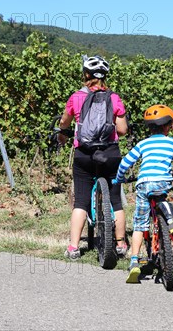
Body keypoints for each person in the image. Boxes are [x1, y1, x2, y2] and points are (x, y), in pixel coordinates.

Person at [58, 55, 129, 260]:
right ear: (105, 76)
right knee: (115, 201)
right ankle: (121, 244)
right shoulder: (114, 98)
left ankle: (73, 247)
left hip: (84, 154)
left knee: (80, 201)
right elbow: (122, 130)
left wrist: (63, 132)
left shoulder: (76, 97)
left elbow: (65, 121)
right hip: (109, 153)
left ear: (86, 75)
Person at [113, 105, 173, 283]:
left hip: (144, 183)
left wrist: (119, 178)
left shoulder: (143, 144)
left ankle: (134, 262)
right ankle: (170, 220)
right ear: (168, 126)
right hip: (163, 180)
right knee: (162, 195)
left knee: (140, 224)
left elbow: (125, 163)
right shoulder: (171, 142)